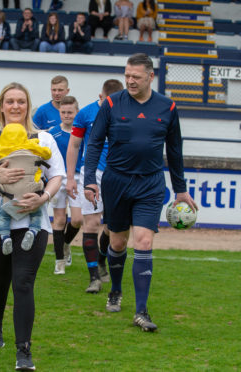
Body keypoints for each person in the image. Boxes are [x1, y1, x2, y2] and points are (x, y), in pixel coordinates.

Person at [83, 53, 197, 330]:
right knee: (118, 242)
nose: (130, 81)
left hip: (150, 184)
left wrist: (181, 190)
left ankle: (142, 311)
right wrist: (90, 180)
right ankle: (116, 290)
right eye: (127, 75)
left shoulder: (167, 107)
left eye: (135, 76)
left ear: (150, 76)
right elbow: (95, 143)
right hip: (116, 182)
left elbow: (175, 151)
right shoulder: (111, 103)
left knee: (144, 241)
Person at [0, 82, 64, 370]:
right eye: (9, 101)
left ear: (28, 106)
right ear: (1, 106)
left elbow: (59, 175)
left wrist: (43, 197)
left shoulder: (44, 140)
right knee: (0, 280)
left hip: (32, 220)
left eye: (20, 101)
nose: (15, 106)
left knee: (23, 282)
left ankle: (24, 351)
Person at [65, 79, 124, 293]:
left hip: (119, 176)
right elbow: (74, 145)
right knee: (90, 223)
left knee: (111, 227)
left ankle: (101, 260)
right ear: (101, 97)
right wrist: (71, 177)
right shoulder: (86, 114)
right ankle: (93, 278)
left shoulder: (127, 111)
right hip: (93, 174)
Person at [0, 123, 52, 255]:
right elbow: (47, 154)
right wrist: (34, 143)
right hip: (31, 192)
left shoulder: (0, 149)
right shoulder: (31, 145)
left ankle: (4, 236)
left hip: (9, 194)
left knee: (3, 215)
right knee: (36, 213)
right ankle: (33, 230)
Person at [48, 96, 83, 275]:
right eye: (63, 112)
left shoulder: (82, 132)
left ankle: (66, 243)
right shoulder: (52, 133)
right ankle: (59, 261)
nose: (67, 115)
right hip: (58, 178)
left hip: (77, 178)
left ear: (77, 112)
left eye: (70, 112)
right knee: (60, 219)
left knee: (77, 219)